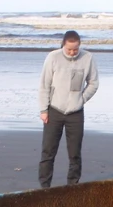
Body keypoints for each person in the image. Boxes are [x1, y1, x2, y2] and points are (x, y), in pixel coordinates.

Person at [38, 30, 99, 188]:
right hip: (54, 110)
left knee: (75, 154)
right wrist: (43, 110)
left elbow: (93, 83)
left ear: (79, 46)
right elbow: (44, 85)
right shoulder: (53, 57)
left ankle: (72, 186)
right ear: (63, 45)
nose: (72, 52)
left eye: (75, 49)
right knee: (48, 152)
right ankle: (44, 187)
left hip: (75, 113)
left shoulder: (87, 58)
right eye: (69, 49)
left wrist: (82, 99)